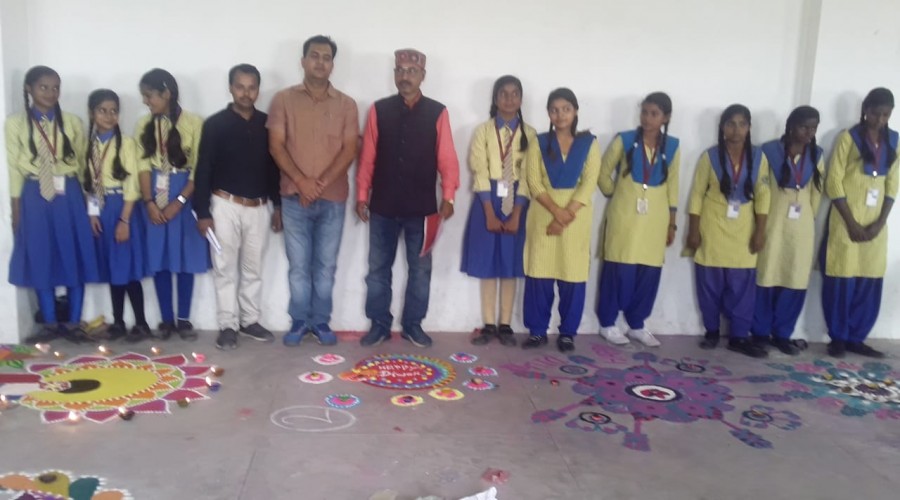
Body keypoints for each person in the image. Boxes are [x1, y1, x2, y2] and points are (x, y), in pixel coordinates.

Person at [356, 48, 460, 348]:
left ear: (422, 76)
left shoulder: (437, 112)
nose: (405, 76)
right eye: (400, 71)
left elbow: (447, 158)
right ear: (394, 74)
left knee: (421, 270)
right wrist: (362, 195)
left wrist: (449, 196)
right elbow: (368, 158)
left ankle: (413, 325)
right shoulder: (379, 110)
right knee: (378, 269)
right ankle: (379, 324)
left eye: (412, 71)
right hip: (383, 206)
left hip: (423, 208)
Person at [268, 35, 358, 347]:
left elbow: (349, 149)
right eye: (315, 56)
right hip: (294, 198)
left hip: (333, 199)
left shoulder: (347, 104)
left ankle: (320, 321)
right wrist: (302, 181)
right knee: (298, 267)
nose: (320, 62)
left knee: (325, 267)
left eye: (327, 57)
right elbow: (276, 145)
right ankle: (299, 321)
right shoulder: (283, 100)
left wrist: (318, 184)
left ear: (333, 64)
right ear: (303, 61)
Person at [6, 65, 98, 344]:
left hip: (69, 194)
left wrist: (90, 207)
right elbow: (14, 169)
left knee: (74, 253)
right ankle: (48, 323)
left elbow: (85, 168)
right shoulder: (15, 123)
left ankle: (73, 322)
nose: (50, 93)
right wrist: (16, 209)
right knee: (40, 254)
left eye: (55, 87)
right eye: (43, 87)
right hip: (34, 193)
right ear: (29, 89)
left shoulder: (71, 122)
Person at [195, 64, 282, 350]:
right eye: (240, 87)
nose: (246, 93)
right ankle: (227, 325)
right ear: (231, 88)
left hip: (259, 207)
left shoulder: (267, 124)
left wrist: (278, 206)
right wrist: (203, 212)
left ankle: (250, 320)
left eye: (252, 87)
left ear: (258, 90)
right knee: (224, 268)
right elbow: (204, 169)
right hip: (224, 205)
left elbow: (274, 169)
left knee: (253, 268)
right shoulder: (215, 124)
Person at [596, 92, 680, 348]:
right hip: (625, 217)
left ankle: (637, 324)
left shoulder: (672, 146)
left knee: (648, 272)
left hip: (655, 219)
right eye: (644, 112)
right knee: (619, 268)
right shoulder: (624, 140)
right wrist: (618, 193)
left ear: (666, 118)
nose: (647, 118)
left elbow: (673, 185)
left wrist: (672, 222)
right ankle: (608, 323)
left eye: (654, 114)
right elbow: (602, 173)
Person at [686, 104, 770, 358]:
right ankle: (711, 331)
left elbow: (764, 196)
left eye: (742, 124)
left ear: (749, 128)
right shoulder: (709, 157)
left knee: (742, 287)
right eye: (731, 124)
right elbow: (697, 194)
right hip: (712, 227)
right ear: (722, 127)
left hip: (744, 229)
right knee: (710, 285)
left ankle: (739, 337)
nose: (736, 129)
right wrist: (693, 231)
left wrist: (760, 231)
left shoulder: (759, 157)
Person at [522, 88, 600, 352]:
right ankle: (537, 331)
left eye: (566, 109)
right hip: (543, 216)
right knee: (539, 274)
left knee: (572, 276)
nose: (560, 115)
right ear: (548, 114)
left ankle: (567, 332)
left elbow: (589, 184)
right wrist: (557, 212)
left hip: (576, 220)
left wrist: (565, 216)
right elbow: (534, 182)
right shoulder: (539, 142)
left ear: (575, 111)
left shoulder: (589, 143)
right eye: (554, 110)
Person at [821, 88, 898, 359]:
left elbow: (893, 184)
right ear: (865, 110)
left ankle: (857, 337)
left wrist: (880, 223)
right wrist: (851, 223)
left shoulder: (894, 141)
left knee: (869, 277)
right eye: (875, 113)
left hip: (876, 223)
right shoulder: (848, 138)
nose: (880, 120)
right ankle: (839, 338)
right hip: (846, 221)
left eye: (886, 115)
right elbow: (833, 181)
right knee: (842, 277)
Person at [135, 68, 209, 341]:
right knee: (160, 258)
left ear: (166, 93)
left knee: (185, 257)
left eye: (149, 95)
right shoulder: (143, 125)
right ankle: (166, 319)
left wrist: (179, 201)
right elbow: (142, 167)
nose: (145, 101)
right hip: (154, 194)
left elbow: (199, 168)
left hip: (184, 192)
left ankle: (184, 320)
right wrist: (149, 202)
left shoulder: (194, 123)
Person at [463, 75, 536, 347]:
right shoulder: (483, 131)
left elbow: (528, 176)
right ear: (495, 99)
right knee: (487, 264)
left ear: (521, 99)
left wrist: (517, 213)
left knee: (510, 264)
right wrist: (489, 212)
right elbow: (479, 170)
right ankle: (488, 324)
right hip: (488, 200)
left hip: (518, 201)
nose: (509, 99)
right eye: (503, 93)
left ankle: (505, 324)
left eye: (515, 93)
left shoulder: (530, 134)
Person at [752, 106, 824, 355]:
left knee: (795, 278)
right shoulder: (769, 151)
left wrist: (808, 218)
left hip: (802, 228)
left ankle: (782, 333)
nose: (809, 133)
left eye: (813, 128)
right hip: (773, 223)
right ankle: (760, 332)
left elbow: (816, 194)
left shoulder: (816, 155)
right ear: (791, 126)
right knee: (767, 275)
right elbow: (761, 188)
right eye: (804, 127)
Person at [84, 89, 152, 343]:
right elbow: (89, 184)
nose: (109, 116)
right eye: (103, 110)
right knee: (113, 269)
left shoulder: (127, 143)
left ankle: (142, 323)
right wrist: (93, 214)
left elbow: (133, 185)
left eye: (114, 111)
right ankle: (119, 322)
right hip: (101, 209)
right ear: (92, 113)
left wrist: (124, 220)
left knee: (127, 269)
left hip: (123, 208)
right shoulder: (89, 146)